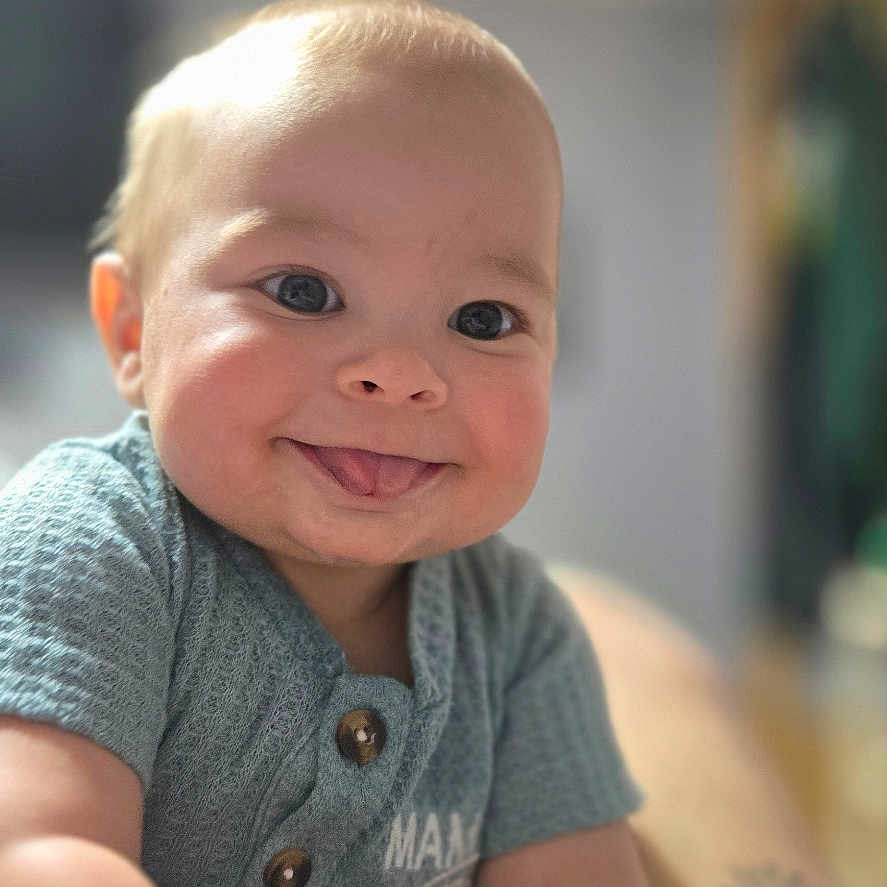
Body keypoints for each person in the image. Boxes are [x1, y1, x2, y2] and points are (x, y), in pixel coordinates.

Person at [0, 2, 648, 885]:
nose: (399, 371)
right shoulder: (94, 543)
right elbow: (37, 850)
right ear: (131, 328)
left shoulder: (521, 634)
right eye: (303, 291)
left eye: (482, 318)